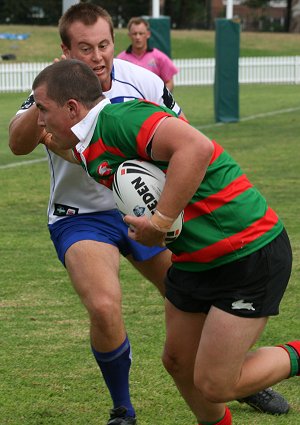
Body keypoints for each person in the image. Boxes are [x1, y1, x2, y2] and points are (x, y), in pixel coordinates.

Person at [8, 3, 289, 423]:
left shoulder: (129, 101)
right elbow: (31, 139)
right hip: (94, 219)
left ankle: (240, 372)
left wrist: (160, 221)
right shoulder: (68, 110)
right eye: (86, 48)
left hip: (207, 235)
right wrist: (43, 109)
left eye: (105, 44)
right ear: (66, 52)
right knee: (167, 353)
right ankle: (130, 405)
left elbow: (193, 146)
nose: (99, 56)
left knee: (214, 373)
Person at [117, 17, 178, 92]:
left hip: (153, 102)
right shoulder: (120, 59)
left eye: (141, 33)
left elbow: (169, 82)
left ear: (148, 34)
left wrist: (161, 98)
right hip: (130, 103)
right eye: (134, 34)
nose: (138, 37)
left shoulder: (160, 57)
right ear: (129, 35)